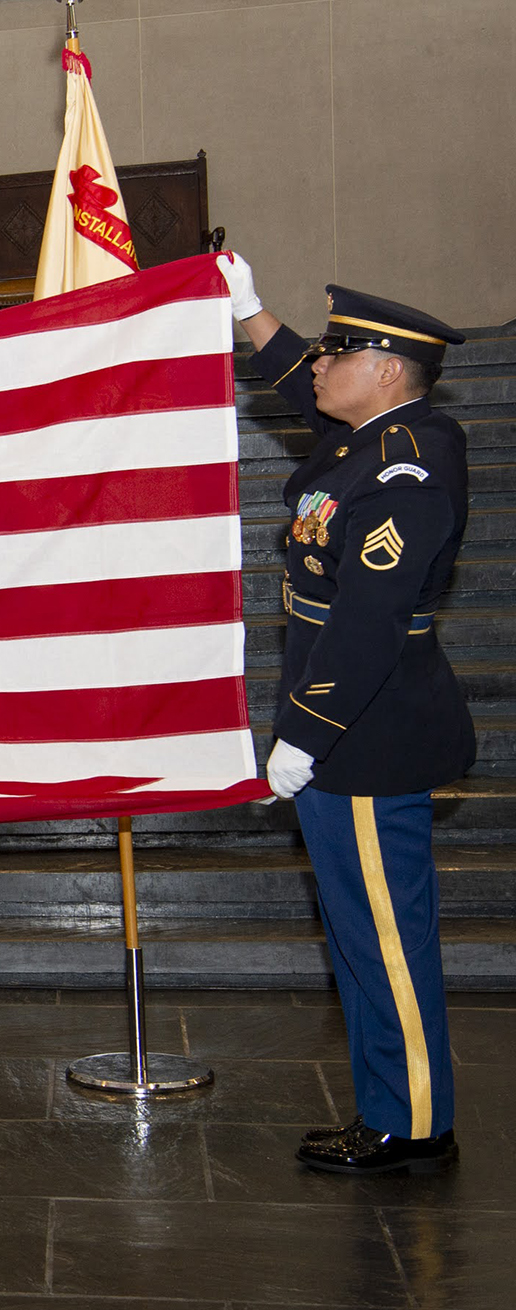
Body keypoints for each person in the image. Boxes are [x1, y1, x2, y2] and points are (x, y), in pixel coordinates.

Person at [219, 253, 471, 1175]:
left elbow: (366, 622)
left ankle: (415, 1125)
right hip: (343, 724)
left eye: (338, 354)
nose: (318, 367)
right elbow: (299, 388)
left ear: (389, 372)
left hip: (366, 730)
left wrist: (308, 735)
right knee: (359, 935)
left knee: (387, 943)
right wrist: (253, 314)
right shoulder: (374, 433)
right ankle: (390, 1108)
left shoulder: (411, 467)